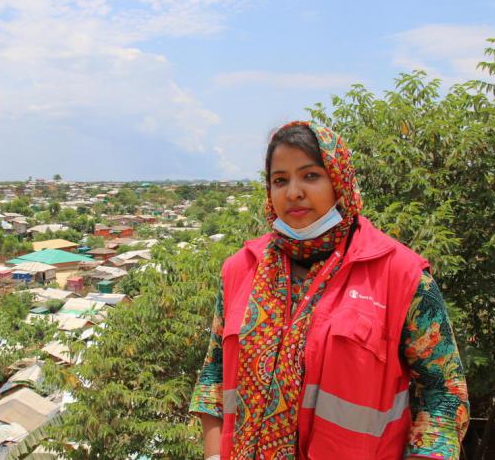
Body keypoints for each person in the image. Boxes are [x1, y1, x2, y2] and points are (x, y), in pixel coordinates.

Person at [189, 122, 469, 460]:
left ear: (339, 182)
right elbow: (214, 376)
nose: (293, 192)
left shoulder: (401, 275)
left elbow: (444, 394)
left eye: (310, 176)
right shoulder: (240, 269)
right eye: (280, 180)